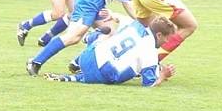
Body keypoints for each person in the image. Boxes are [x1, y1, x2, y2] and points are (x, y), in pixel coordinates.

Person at [42, 17, 177, 87]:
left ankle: (92, 39)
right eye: (167, 38)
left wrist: (112, 16)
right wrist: (163, 75)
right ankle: (93, 40)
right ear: (159, 35)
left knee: (106, 38)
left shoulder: (134, 25)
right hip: (100, 76)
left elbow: (119, 19)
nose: (167, 42)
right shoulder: (150, 52)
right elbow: (149, 84)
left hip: (87, 56)